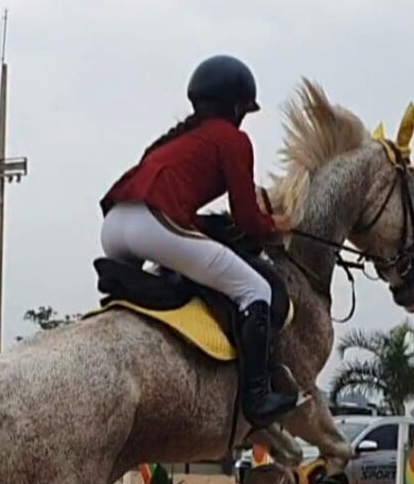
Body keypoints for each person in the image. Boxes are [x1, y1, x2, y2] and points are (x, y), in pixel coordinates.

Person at [100, 54, 298, 428]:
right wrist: (276, 225)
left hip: (114, 226)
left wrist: (211, 228)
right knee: (255, 289)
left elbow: (187, 213)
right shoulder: (233, 139)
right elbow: (247, 218)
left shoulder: (174, 140)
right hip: (151, 225)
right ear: (238, 106)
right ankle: (257, 397)